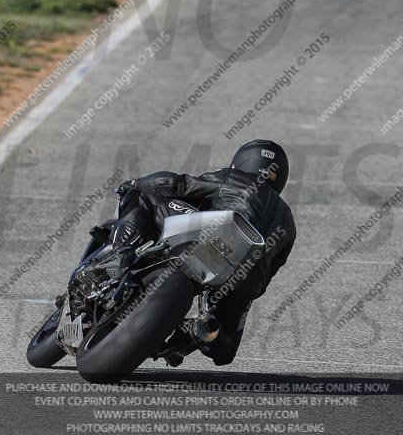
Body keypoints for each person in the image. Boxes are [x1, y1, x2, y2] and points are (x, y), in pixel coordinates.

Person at [108, 139, 296, 366]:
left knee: (143, 196)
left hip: (210, 239)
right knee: (226, 350)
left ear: (241, 162)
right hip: (246, 277)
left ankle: (120, 256)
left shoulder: (234, 178)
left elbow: (179, 185)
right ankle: (199, 332)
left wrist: (135, 183)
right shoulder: (289, 223)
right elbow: (267, 278)